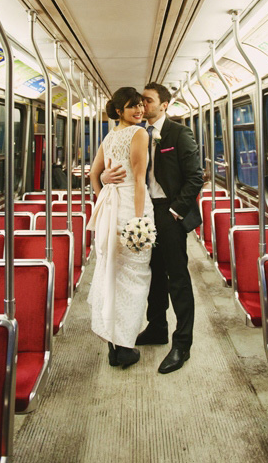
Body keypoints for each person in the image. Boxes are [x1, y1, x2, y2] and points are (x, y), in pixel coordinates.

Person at [101, 82, 203, 374]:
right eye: (140, 102)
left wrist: (174, 211)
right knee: (153, 273)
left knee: (177, 278)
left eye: (148, 100)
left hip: (168, 211)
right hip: (144, 209)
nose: (143, 106)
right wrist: (107, 176)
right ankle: (157, 327)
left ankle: (182, 343)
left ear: (165, 104)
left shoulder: (179, 133)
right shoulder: (136, 134)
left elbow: (195, 178)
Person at [87, 87, 154, 369]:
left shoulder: (110, 135)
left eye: (140, 105)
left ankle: (113, 344)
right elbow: (140, 181)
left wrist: (103, 193)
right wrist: (139, 221)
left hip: (110, 207)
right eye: (131, 107)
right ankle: (125, 346)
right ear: (118, 111)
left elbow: (94, 174)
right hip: (130, 206)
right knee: (135, 277)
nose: (139, 111)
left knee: (111, 272)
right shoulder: (140, 134)